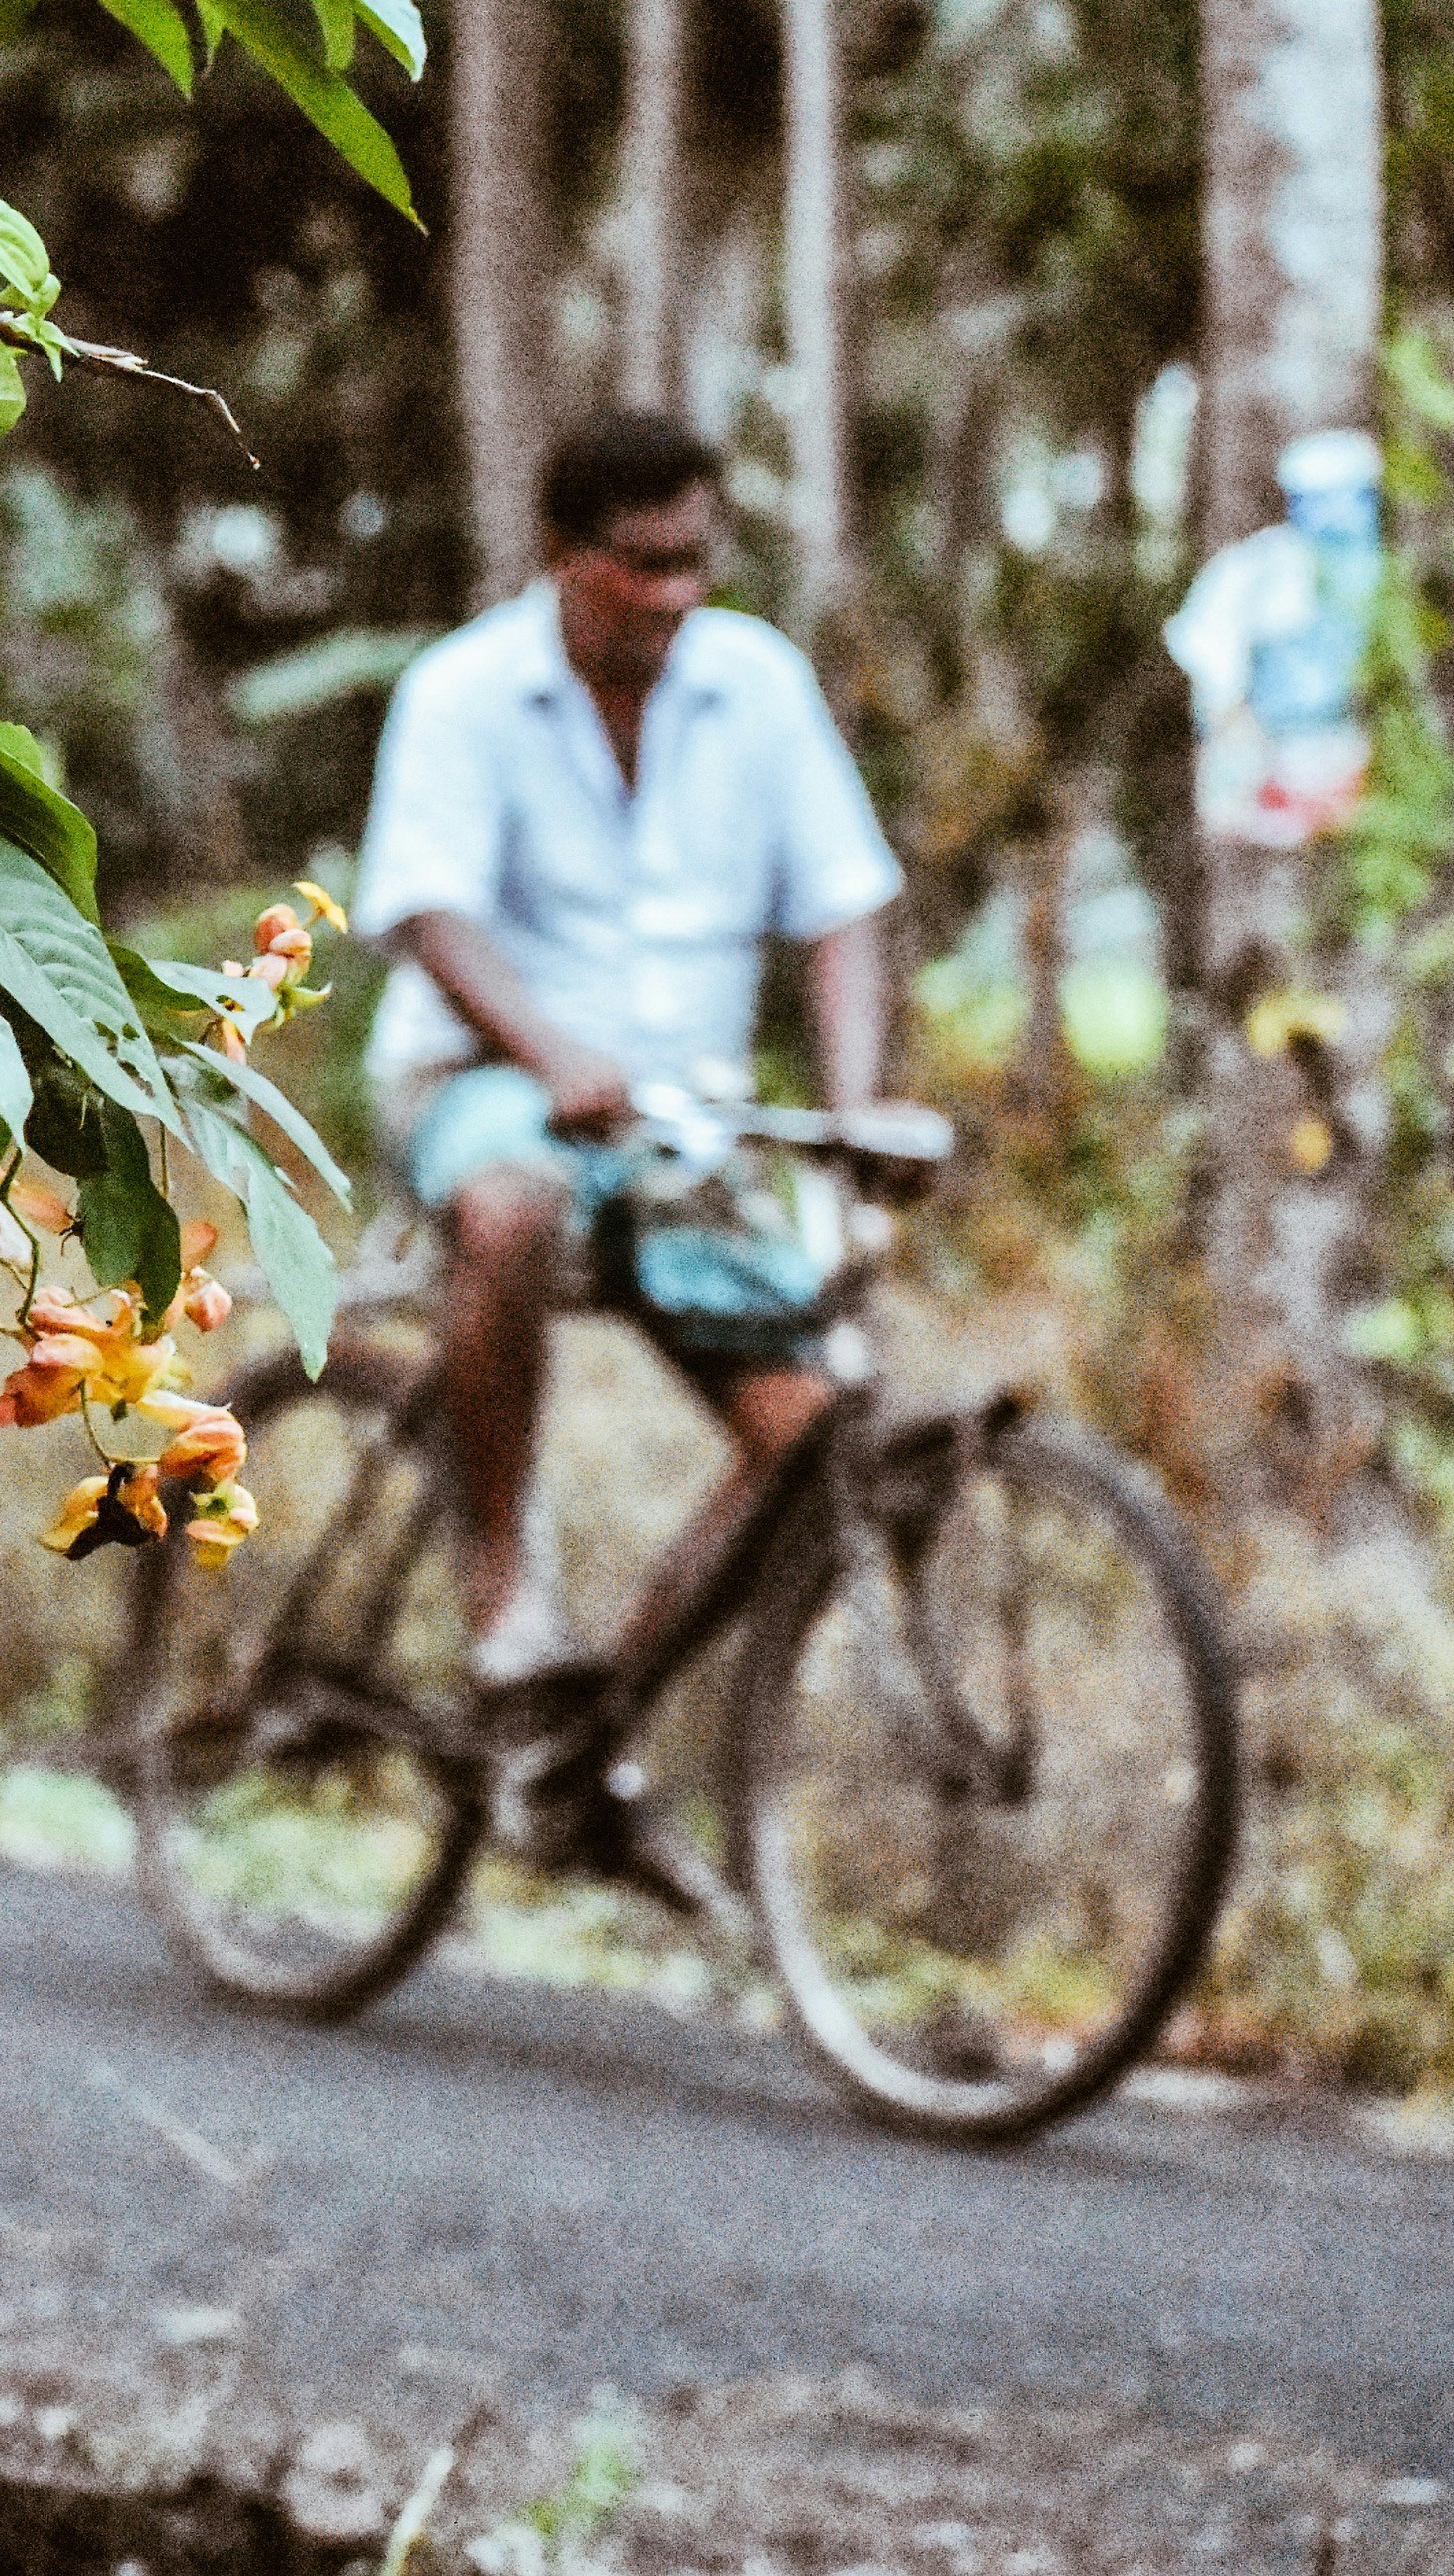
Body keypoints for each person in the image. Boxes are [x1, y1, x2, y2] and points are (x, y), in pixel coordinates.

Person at [348, 411, 910, 1853]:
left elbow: (845, 904)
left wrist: (852, 1114)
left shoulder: (757, 685)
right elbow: (426, 908)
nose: (674, 592)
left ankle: (589, 1732)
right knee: (518, 1198)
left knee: (816, 1428)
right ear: (563, 556)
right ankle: (501, 1595)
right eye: (643, 563)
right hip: (487, 1079)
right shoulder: (466, 693)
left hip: (682, 1124)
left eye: (696, 562)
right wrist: (550, 1047)